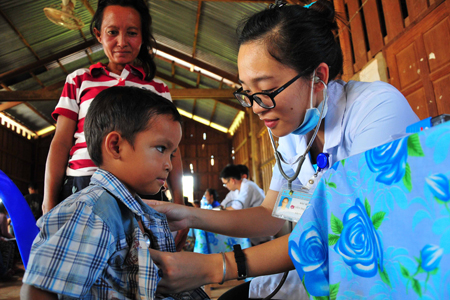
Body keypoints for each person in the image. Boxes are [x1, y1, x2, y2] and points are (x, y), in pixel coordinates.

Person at [145, 1, 419, 298]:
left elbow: (352, 228)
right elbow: (272, 214)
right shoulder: (294, 136)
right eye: (246, 93)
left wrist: (216, 267)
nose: (254, 107)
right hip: (328, 271)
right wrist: (188, 216)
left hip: (390, 275)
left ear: (319, 77)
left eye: (264, 89)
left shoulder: (375, 109)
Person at [21, 86, 208, 299]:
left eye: (172, 153)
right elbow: (38, 290)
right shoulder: (92, 211)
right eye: (161, 149)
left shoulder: (131, 209)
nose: (169, 165)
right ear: (116, 146)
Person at [42, 0, 184, 215]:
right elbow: (61, 142)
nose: (122, 42)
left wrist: (179, 201)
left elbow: (172, 149)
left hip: (143, 188)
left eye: (132, 33)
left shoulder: (158, 89)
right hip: (84, 183)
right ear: (99, 35)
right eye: (112, 32)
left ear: (142, 36)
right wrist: (48, 201)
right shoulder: (79, 80)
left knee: (143, 249)